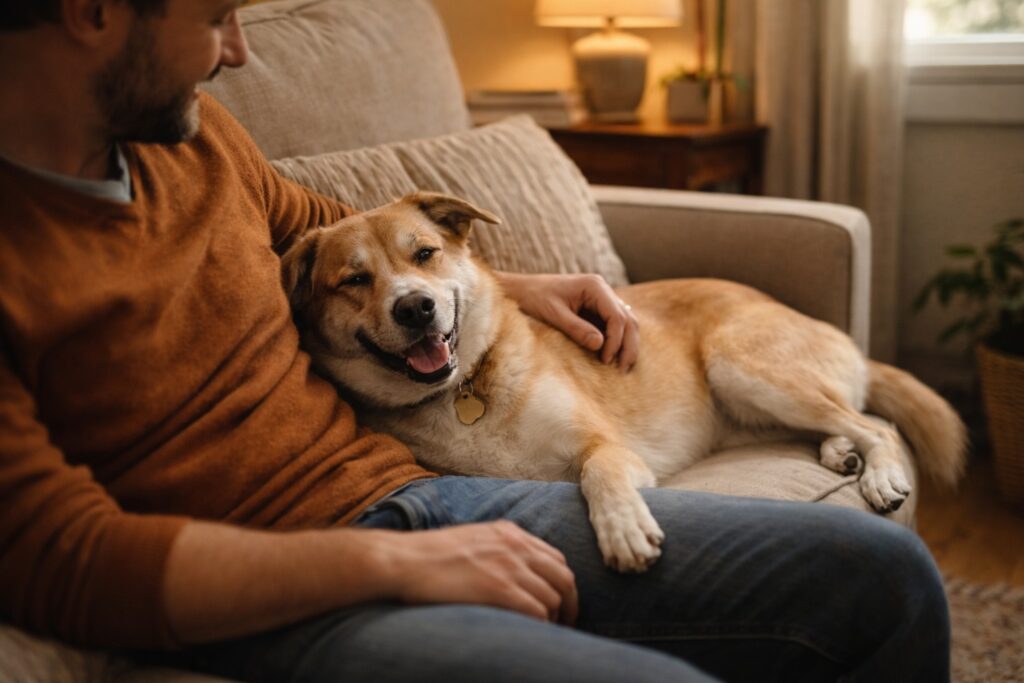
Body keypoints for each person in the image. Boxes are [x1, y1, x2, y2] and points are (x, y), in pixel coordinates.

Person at [0, 1, 951, 681]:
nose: (240, 52)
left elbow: (354, 235)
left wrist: (520, 287)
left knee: (888, 578)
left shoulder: (195, 140)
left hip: (422, 493)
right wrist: (389, 561)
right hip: (276, 592)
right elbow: (65, 558)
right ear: (91, 12)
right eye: (214, 18)